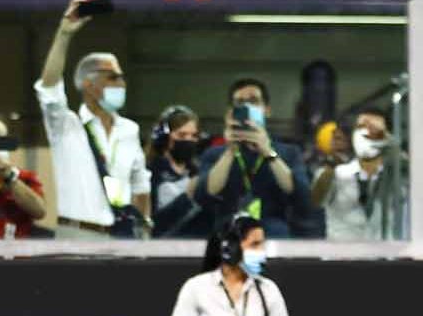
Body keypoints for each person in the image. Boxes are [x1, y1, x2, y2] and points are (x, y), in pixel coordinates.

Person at [34, 0, 150, 238]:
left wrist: (143, 231)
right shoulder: (66, 126)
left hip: (122, 238)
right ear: (89, 84)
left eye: (121, 77)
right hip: (78, 234)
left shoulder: (130, 130)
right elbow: (48, 88)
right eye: (113, 77)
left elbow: (140, 185)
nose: (122, 83)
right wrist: (64, 35)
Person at [197, 77, 308, 236]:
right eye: (240, 103)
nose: (247, 107)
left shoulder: (289, 152)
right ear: (230, 112)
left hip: (274, 233)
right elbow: (205, 193)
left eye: (254, 101)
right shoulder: (214, 153)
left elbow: (300, 194)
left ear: (267, 110)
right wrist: (230, 151)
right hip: (228, 232)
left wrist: (268, 152)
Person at [311, 107, 396, 241]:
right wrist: (332, 166)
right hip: (341, 256)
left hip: (385, 255)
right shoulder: (336, 172)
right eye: (361, 127)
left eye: (374, 130)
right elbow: (316, 199)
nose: (366, 133)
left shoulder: (397, 174)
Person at [147, 104, 210, 238]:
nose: (188, 140)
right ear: (164, 138)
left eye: (193, 136)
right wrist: (187, 197)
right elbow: (150, 222)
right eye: (181, 135)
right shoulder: (151, 171)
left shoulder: (199, 171)